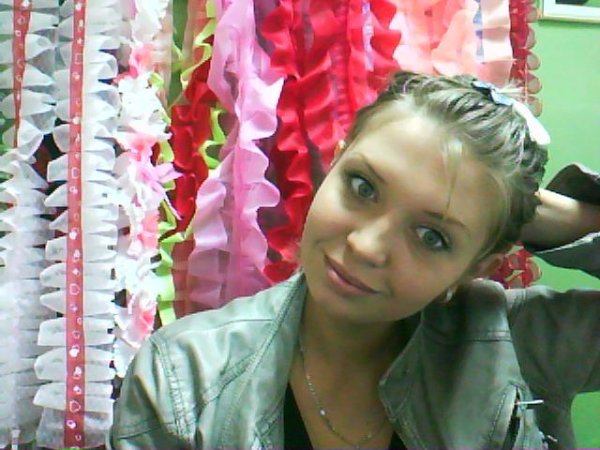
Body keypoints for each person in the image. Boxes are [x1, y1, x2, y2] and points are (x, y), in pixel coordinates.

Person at [109, 71, 600, 450]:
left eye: (432, 236)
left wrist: (565, 216)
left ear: (475, 267)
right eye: (362, 187)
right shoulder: (185, 374)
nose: (366, 246)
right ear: (334, 164)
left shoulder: (519, 343)